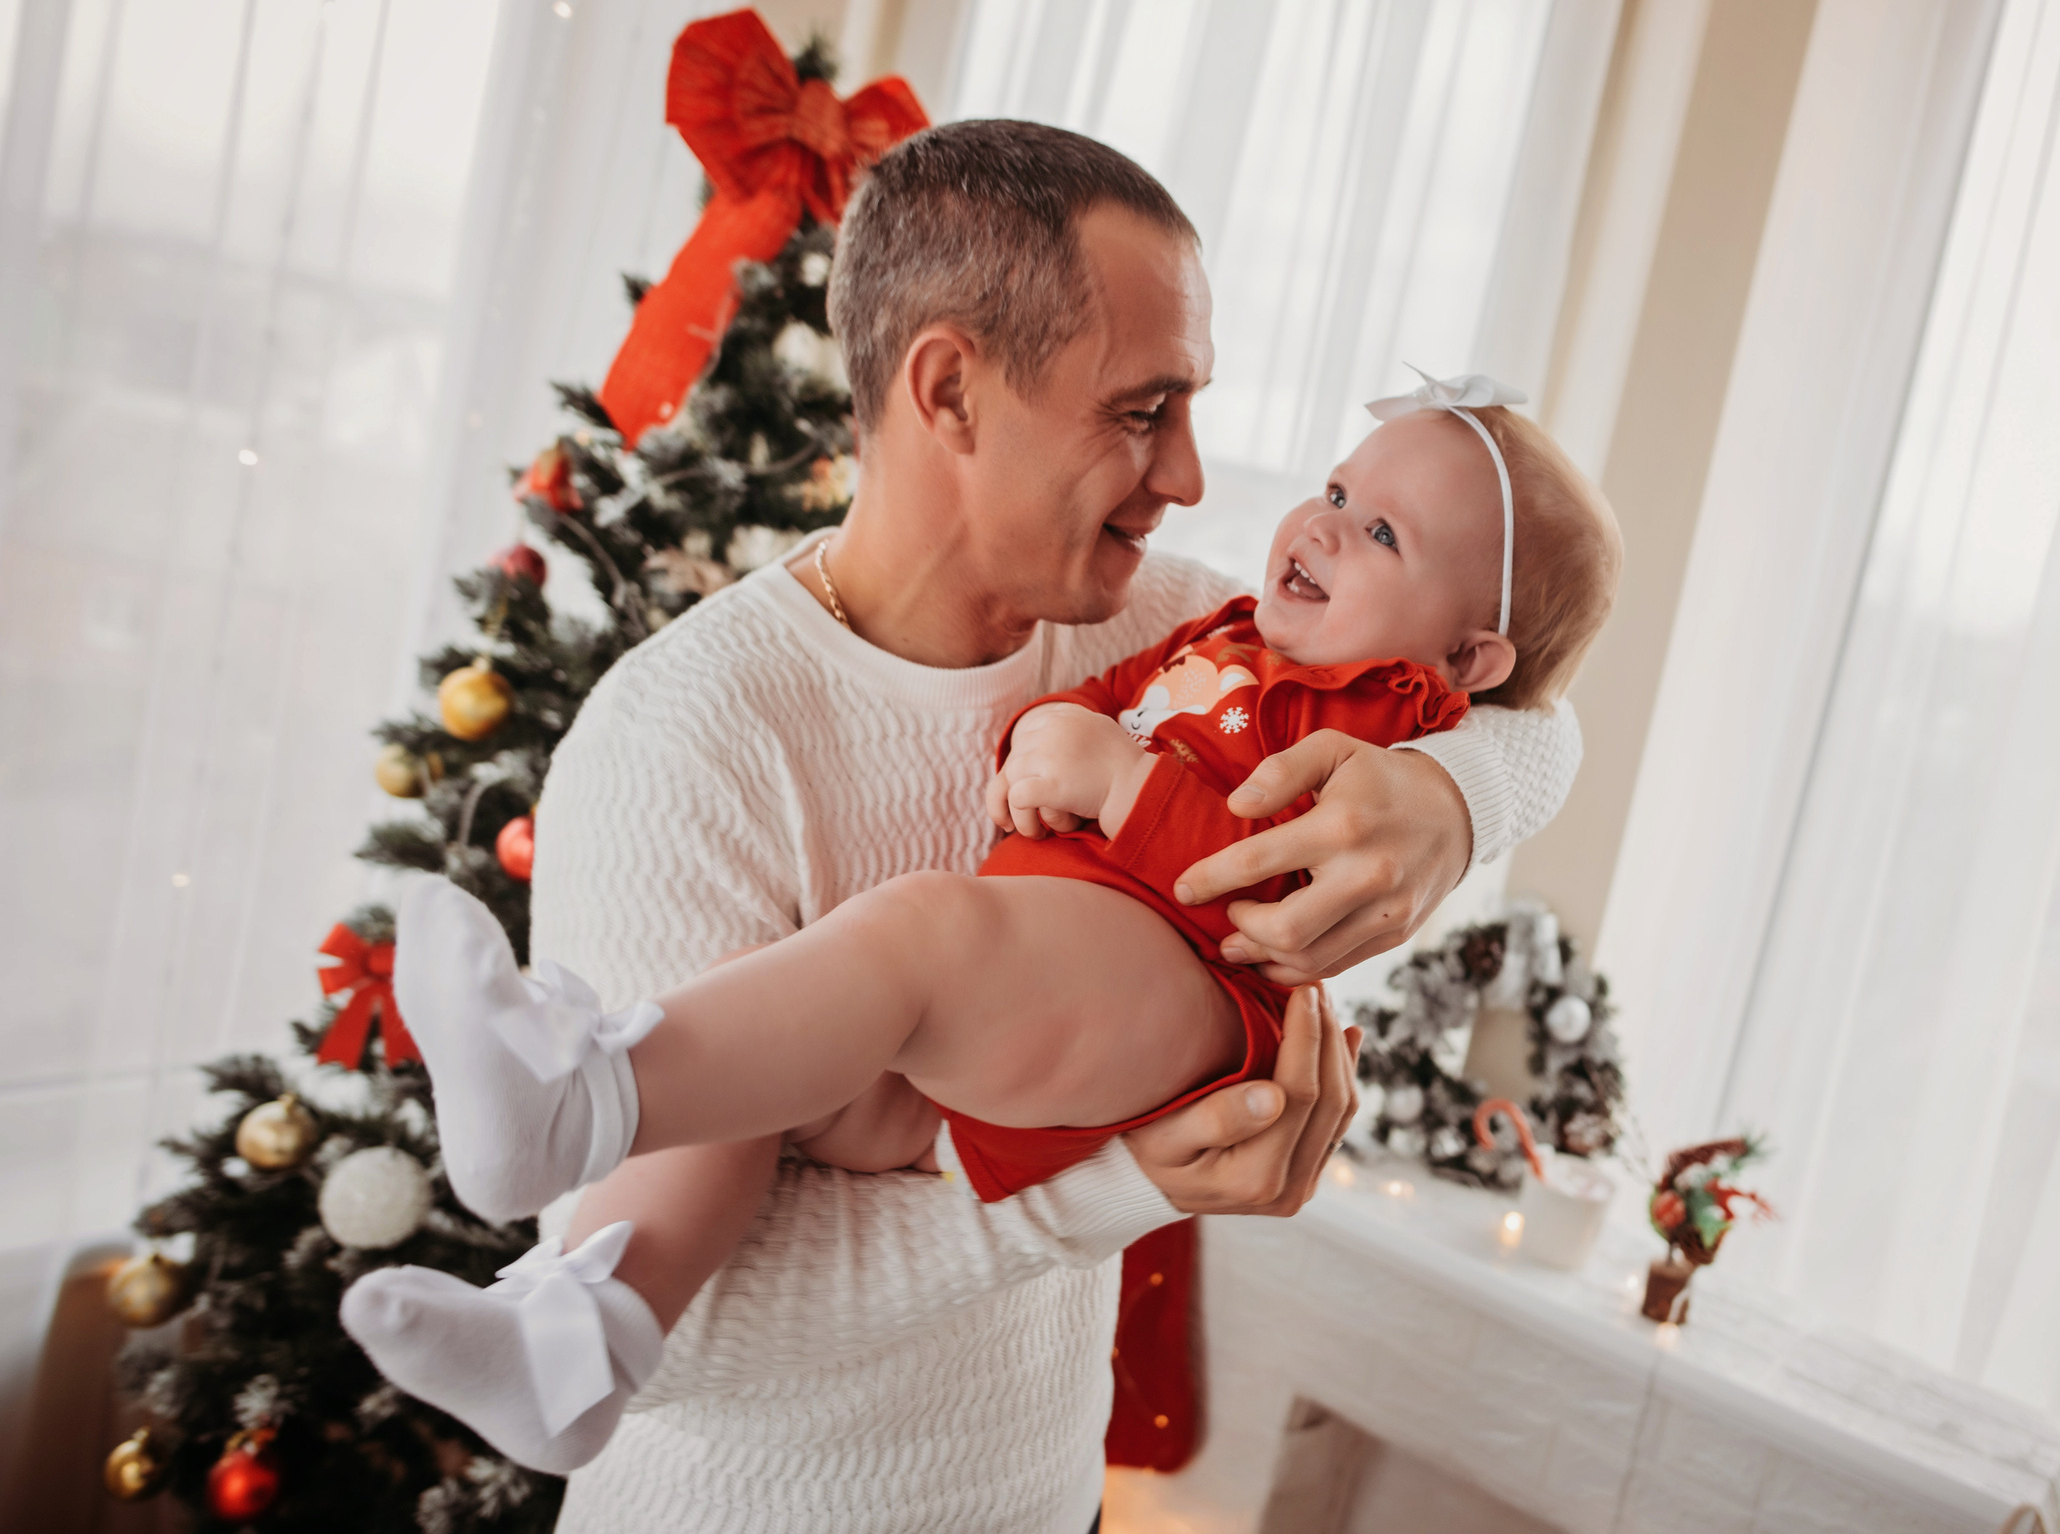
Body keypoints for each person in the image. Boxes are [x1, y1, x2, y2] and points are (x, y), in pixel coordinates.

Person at [347, 121, 1582, 1533]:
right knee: (789, 1061)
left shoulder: (1181, 625)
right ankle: (575, 1110)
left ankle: (591, 1081)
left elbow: (1532, 703)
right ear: (950, 389)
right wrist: (1102, 1190)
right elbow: (686, 1342)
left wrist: (1450, 798)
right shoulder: (682, 737)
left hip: (1043, 1509)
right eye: (1142, 409)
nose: (1189, 473)